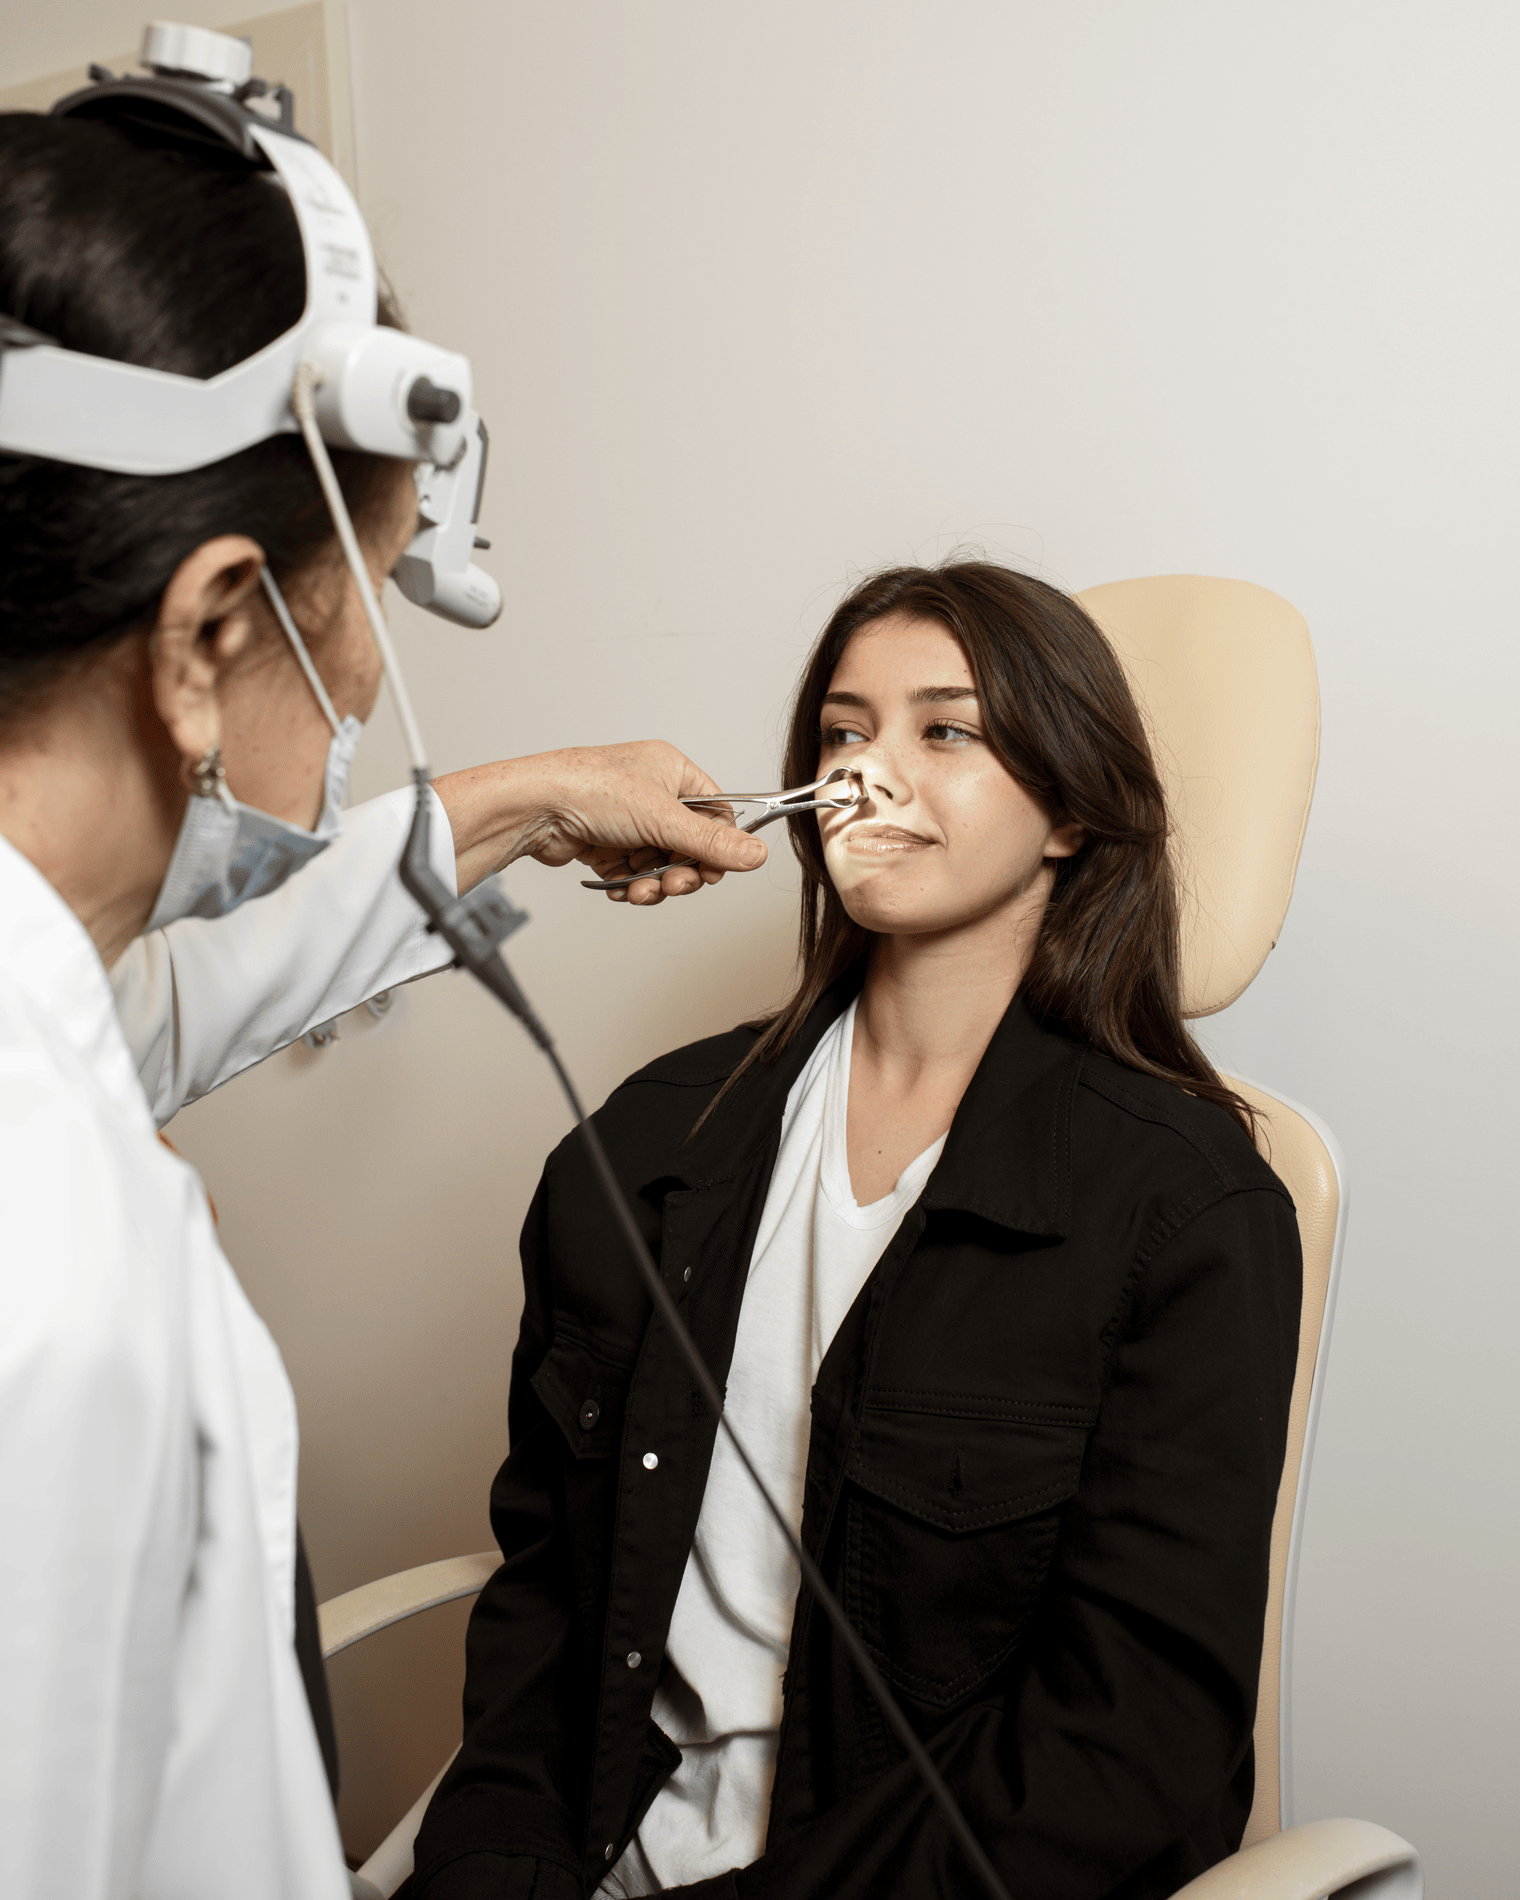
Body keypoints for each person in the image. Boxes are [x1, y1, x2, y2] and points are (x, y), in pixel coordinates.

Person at [0, 111, 770, 1900]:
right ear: (211, 630)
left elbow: (152, 1006)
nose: (368, 681)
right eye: (373, 605)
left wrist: (529, 797)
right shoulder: (55, 1258)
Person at [409, 562, 1304, 1900]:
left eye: (945, 731)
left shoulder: (1188, 1211)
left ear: (1068, 813)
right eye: (844, 732)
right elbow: (550, 1596)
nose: (869, 774)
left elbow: (1127, 1739)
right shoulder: (645, 1145)